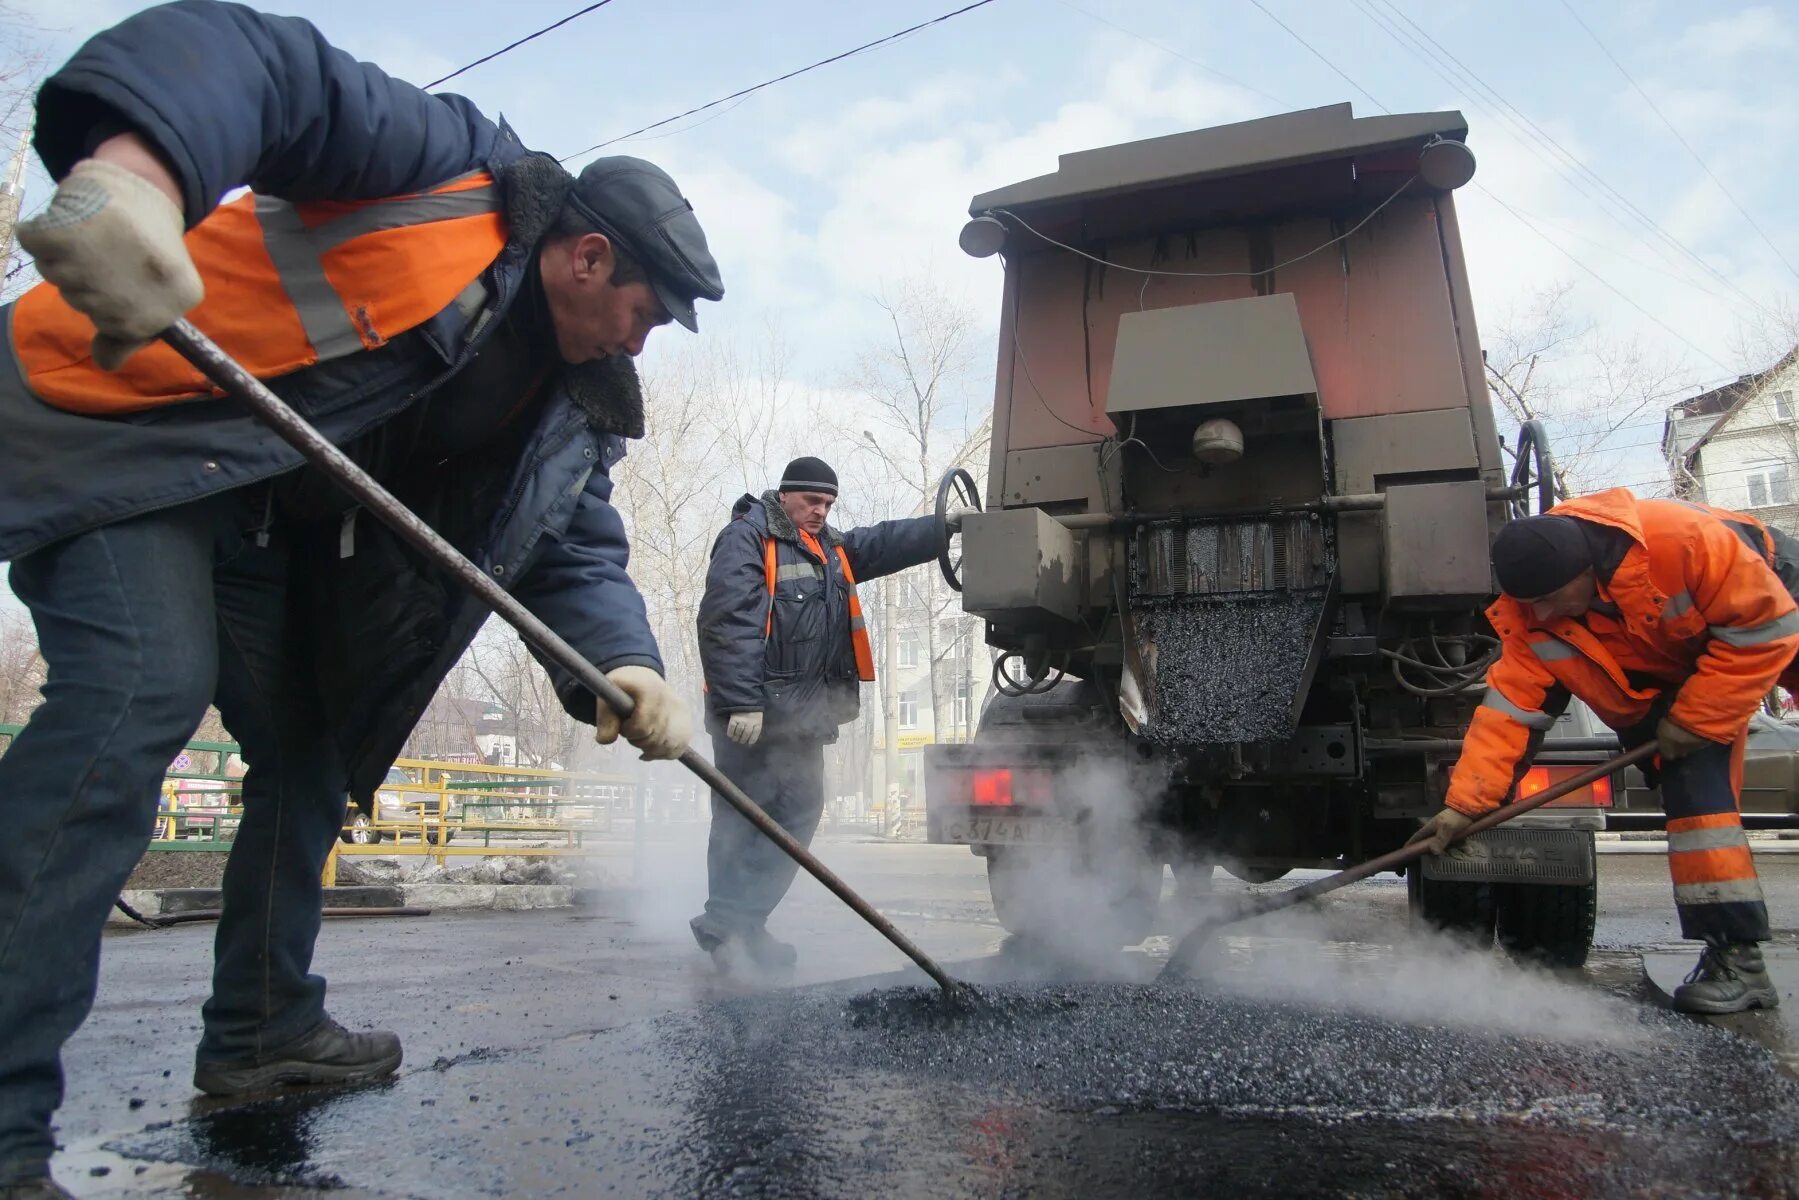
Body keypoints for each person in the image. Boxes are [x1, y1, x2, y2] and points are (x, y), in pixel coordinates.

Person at [0, 3, 720, 1192]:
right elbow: (261, 64)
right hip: (132, 427)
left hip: (266, 529)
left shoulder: (569, 403)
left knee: (314, 748)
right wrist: (134, 169)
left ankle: (264, 1034)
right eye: (644, 314)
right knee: (141, 684)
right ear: (589, 257)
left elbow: (570, 545)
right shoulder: (450, 172)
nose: (638, 345)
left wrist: (624, 662)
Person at [1411, 488, 1799, 1014]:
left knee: (1695, 763)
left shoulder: (1684, 542)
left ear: (1586, 569)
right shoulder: (1533, 617)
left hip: (1774, 604)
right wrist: (1465, 807)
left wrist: (1696, 718)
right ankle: (1738, 962)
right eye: (1529, 603)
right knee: (1698, 808)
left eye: (1549, 596)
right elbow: (1508, 718)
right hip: (1679, 665)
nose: (1541, 612)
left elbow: (1766, 628)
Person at [692, 458, 951, 969]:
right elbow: (727, 623)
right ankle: (727, 925)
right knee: (743, 818)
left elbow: (880, 543)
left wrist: (942, 529)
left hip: (801, 719)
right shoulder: (747, 540)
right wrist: (740, 702)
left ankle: (741, 923)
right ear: (786, 495)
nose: (821, 510)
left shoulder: (829, 550)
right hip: (752, 716)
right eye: (813, 501)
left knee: (797, 816)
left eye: (829, 504)